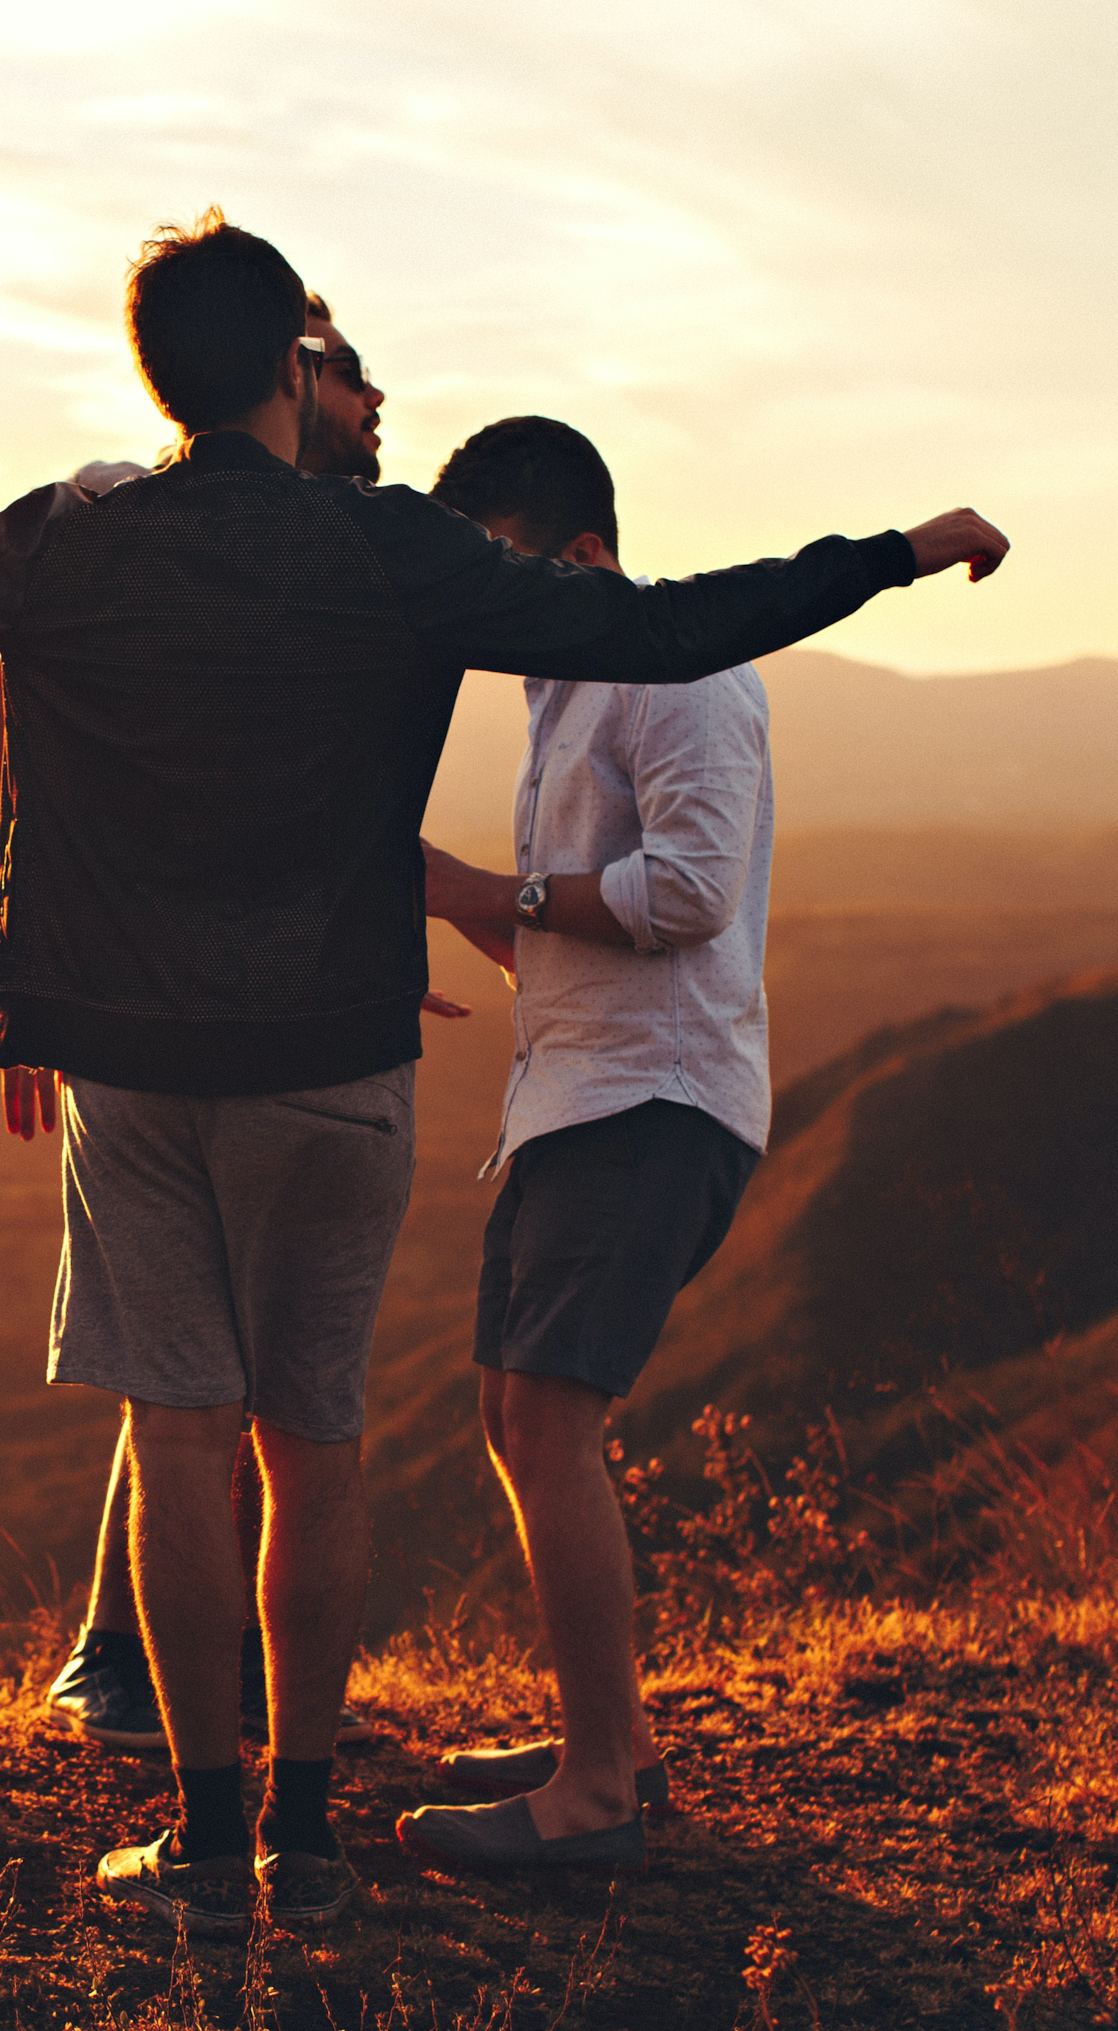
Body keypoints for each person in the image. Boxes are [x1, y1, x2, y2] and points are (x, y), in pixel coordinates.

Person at [0, 210, 1006, 1935]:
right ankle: (307, 1838)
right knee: (318, 1449)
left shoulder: (76, 542)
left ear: (162, 373)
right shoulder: (387, 551)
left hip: (140, 1065)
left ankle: (209, 1845)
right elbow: (673, 627)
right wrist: (891, 551)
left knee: (180, 1443)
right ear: (295, 373)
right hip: (338, 1060)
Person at [395, 415, 883, 1867]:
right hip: (580, 1091)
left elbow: (684, 897)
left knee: (550, 1418)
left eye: (502, 568)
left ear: (586, 552)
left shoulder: (683, 682)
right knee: (512, 1415)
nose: (484, 606)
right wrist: (446, 897)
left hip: (655, 1102)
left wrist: (491, 884)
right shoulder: (567, 691)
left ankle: (599, 1793)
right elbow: (570, 923)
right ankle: (609, 1734)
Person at [0, 301, 404, 1757]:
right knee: (199, 1392)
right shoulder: (124, 531)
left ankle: (201, 1718)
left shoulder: (325, 554)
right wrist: (17, 982)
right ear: (280, 382)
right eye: (341, 367)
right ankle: (132, 1671)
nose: (370, 393)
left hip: (263, 1022)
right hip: (151, 1029)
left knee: (209, 1385)